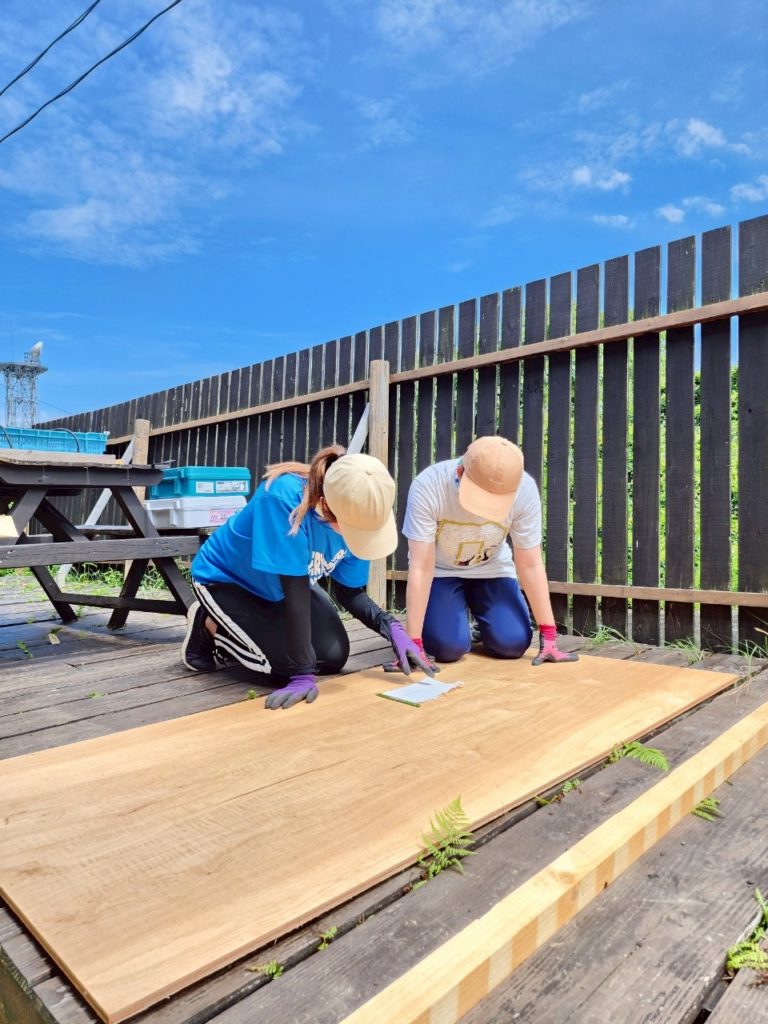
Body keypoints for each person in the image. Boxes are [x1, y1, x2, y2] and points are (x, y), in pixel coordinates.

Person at [181, 445, 434, 708]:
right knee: (281, 668)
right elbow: (295, 590)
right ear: (326, 506)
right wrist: (301, 674)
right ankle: (208, 624)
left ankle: (249, 630)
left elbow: (350, 593)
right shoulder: (283, 499)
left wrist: (393, 629)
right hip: (229, 581)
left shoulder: (361, 509)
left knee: (333, 657)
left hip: (288, 588)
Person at [402, 435, 578, 667]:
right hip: (440, 572)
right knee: (447, 648)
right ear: (460, 473)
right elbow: (421, 566)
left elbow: (531, 563)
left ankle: (483, 626)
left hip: (491, 570)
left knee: (513, 643)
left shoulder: (524, 489)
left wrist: (549, 636)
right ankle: (453, 625)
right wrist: (413, 642)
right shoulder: (428, 486)